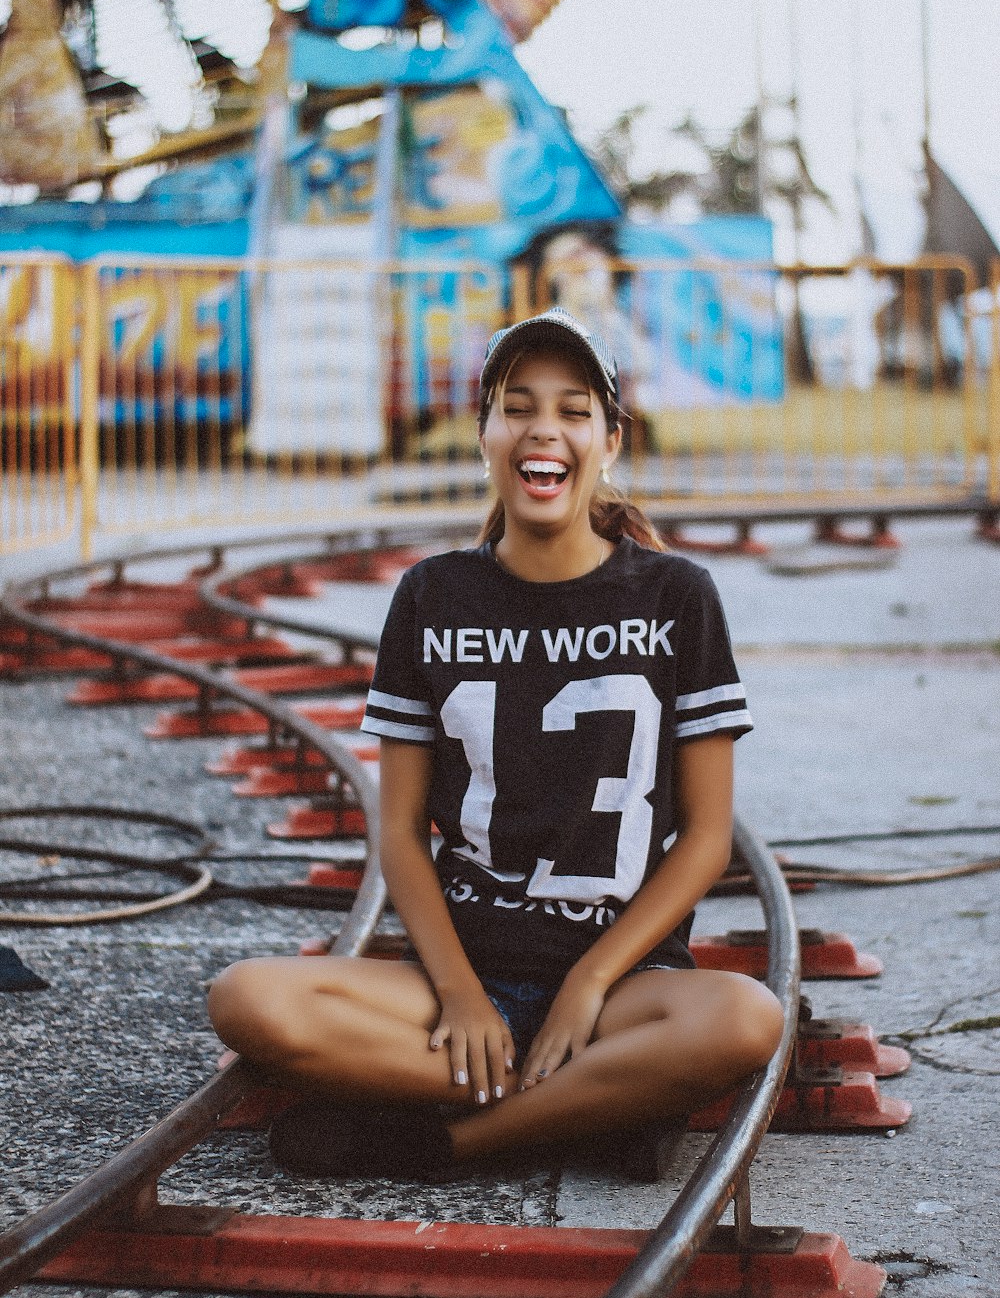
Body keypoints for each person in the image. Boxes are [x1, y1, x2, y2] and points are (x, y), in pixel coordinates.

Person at [208, 307, 784, 1182]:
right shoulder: (432, 596)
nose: (541, 429)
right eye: (515, 406)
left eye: (572, 409)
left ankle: (455, 1141)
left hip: (625, 988)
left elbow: (707, 836)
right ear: (483, 433)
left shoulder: (678, 596)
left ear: (610, 440)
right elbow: (400, 831)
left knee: (746, 1018)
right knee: (248, 1000)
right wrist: (464, 994)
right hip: (461, 976)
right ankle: (590, 1109)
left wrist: (590, 981)